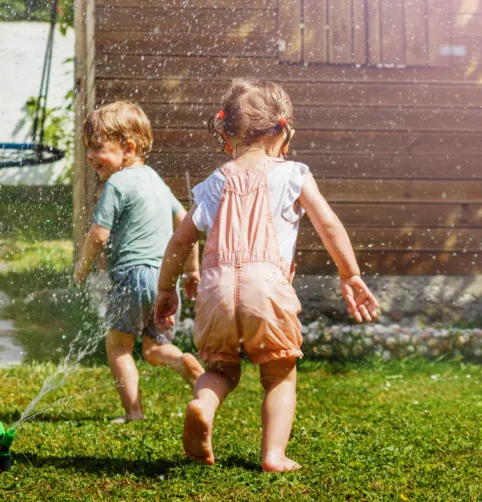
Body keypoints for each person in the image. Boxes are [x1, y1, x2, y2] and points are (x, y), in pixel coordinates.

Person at [154, 79, 380, 471]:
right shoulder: (293, 173)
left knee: (219, 369)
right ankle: (273, 455)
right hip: (268, 289)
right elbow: (328, 224)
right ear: (284, 129)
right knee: (279, 374)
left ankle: (203, 404)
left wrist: (166, 289)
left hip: (216, 291)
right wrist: (350, 273)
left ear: (227, 135)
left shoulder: (215, 182)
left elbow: (178, 242)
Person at [73, 100, 205, 424]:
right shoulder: (156, 181)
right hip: (163, 282)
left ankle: (133, 412)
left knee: (118, 345)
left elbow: (98, 236)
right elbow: (187, 223)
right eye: (88, 149)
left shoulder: (116, 183)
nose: (91, 157)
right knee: (153, 350)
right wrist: (191, 272)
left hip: (131, 277)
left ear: (128, 147)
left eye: (98, 148)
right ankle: (180, 361)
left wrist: (81, 267)